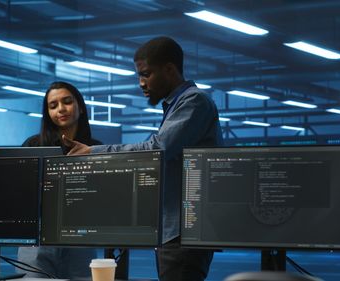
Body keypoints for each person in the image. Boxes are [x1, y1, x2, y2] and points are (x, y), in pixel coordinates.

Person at [63, 37, 224, 281]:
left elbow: (157, 149)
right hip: (175, 230)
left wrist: (92, 153)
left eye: (146, 74)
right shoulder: (177, 105)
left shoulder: (194, 101)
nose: (141, 83)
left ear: (169, 69)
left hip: (185, 231)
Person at [18, 81, 100, 279]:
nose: (61, 109)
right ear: (48, 113)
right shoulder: (33, 145)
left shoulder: (96, 148)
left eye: (67, 102)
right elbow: (18, 190)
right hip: (39, 238)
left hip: (81, 237)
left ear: (80, 107)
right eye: (53, 106)